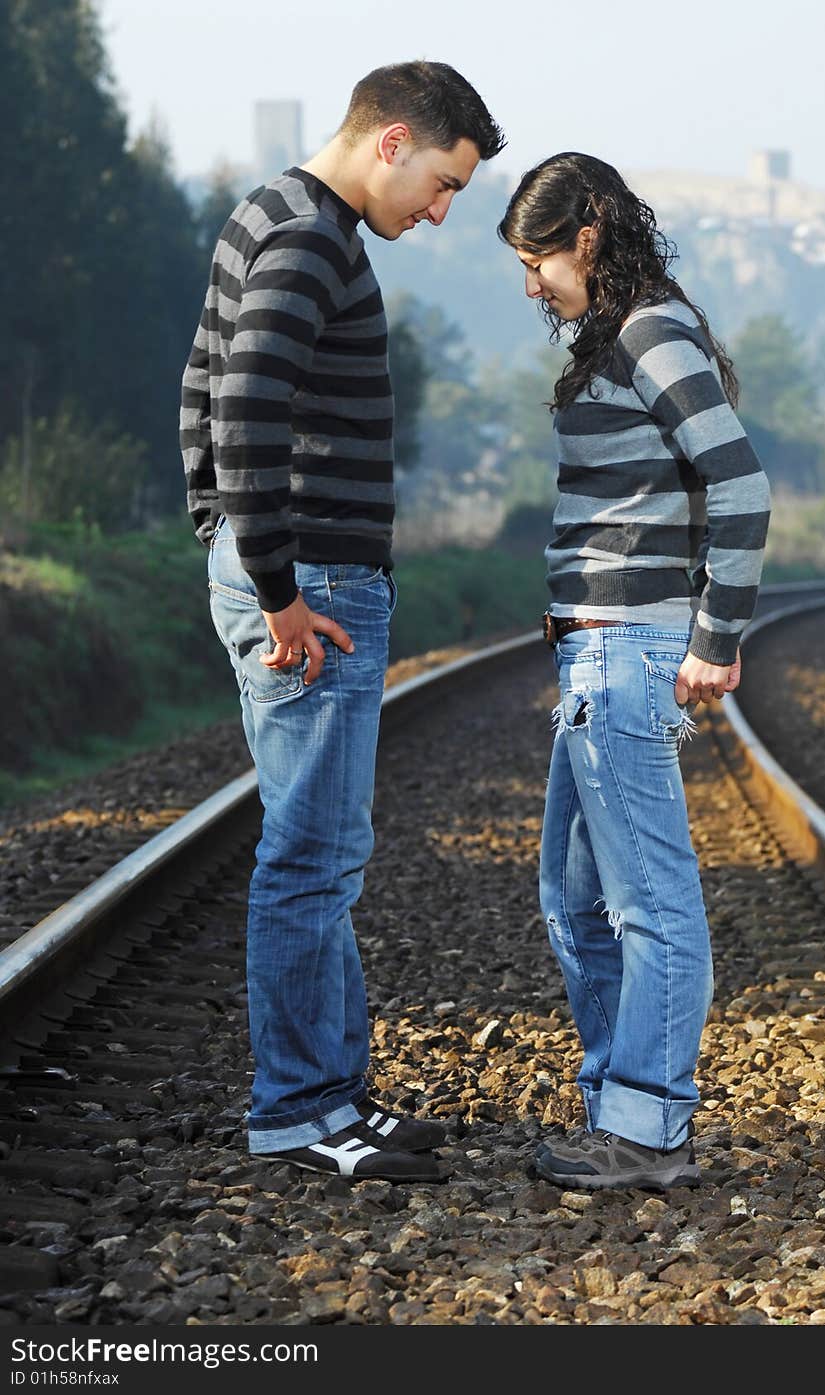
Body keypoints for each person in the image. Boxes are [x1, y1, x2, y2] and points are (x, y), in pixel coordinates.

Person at [180, 62, 505, 1181]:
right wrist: (272, 583)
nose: (440, 209)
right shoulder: (311, 237)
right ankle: (304, 1112)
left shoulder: (272, 217)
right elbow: (243, 403)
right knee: (313, 855)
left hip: (295, 569)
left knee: (322, 849)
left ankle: (333, 1094)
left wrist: (219, 538)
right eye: (443, 182)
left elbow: (200, 394)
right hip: (311, 581)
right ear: (393, 139)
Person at [498, 153, 771, 1190]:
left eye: (537, 261)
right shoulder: (617, 337)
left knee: (650, 901)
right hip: (591, 653)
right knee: (572, 901)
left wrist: (714, 637)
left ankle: (646, 1128)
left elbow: (738, 487)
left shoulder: (654, 331)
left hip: (627, 648)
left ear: (588, 234)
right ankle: (621, 1099)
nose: (531, 287)